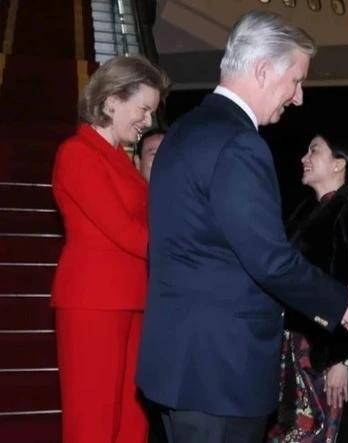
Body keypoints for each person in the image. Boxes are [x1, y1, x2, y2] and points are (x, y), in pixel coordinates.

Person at [136, 11, 348, 442]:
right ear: (263, 70)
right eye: (296, 80)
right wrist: (344, 303)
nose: (298, 97)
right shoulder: (239, 143)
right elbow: (269, 260)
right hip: (220, 373)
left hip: (177, 365)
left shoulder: (184, 132)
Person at [51, 55, 169, 443]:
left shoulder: (120, 159)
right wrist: (187, 247)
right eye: (143, 109)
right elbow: (125, 231)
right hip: (93, 302)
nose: (148, 121)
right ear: (111, 101)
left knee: (132, 424)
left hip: (133, 298)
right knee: (93, 423)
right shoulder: (76, 153)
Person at [267, 132, 348, 442]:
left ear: (340, 164)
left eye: (314, 150)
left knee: (335, 432)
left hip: (333, 355)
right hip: (298, 351)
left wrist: (343, 359)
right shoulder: (305, 212)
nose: (303, 158)